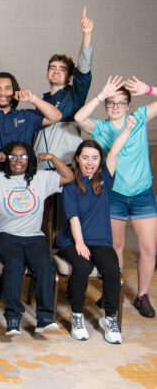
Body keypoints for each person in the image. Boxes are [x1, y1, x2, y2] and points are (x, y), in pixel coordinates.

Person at [74, 75, 157, 318]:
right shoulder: (100, 128)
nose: (115, 107)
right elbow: (79, 118)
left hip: (142, 194)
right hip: (114, 196)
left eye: (121, 103)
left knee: (149, 249)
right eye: (111, 103)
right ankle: (114, 292)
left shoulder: (139, 118)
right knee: (115, 246)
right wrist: (100, 95)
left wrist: (149, 89)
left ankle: (142, 296)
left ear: (128, 105)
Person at [0, 141, 73, 335]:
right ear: (7, 159)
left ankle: (44, 318)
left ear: (30, 160)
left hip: (34, 237)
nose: (18, 161)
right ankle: (12, 319)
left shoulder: (41, 177)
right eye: (13, 157)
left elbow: (68, 176)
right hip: (3, 236)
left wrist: (52, 157)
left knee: (45, 265)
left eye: (23, 157)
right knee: (15, 262)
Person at [59, 124, 134, 344]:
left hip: (101, 240)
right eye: (85, 158)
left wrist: (128, 127)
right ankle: (77, 315)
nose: (89, 163)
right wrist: (80, 243)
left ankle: (110, 319)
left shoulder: (105, 179)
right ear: (78, 159)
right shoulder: (71, 184)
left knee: (112, 269)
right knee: (82, 267)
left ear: (99, 161)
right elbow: (73, 218)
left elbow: (115, 151)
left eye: (94, 158)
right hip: (73, 240)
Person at [0, 54, 62, 171]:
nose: (3, 93)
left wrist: (33, 98)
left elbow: (56, 116)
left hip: (19, 180)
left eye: (8, 88)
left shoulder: (26, 116)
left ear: (15, 91)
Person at [33, 6, 94, 169]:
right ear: (47, 73)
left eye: (62, 69)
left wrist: (87, 35)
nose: (56, 71)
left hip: (66, 166)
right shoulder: (41, 101)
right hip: (40, 167)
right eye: (52, 68)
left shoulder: (74, 96)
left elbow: (84, 71)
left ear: (70, 76)